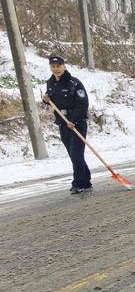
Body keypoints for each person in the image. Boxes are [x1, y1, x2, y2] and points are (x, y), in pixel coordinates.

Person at [42, 55, 92, 194]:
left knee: (76, 154)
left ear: (64, 66)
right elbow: (51, 100)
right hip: (63, 123)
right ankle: (86, 180)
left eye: (58, 66)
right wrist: (46, 99)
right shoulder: (50, 83)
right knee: (73, 154)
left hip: (77, 123)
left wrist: (74, 120)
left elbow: (83, 104)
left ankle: (78, 183)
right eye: (53, 67)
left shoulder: (74, 83)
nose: (56, 69)